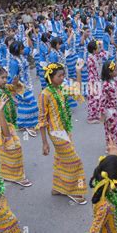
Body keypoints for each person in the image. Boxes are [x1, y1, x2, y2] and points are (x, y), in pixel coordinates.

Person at [38, 62, 87, 205]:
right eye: (59, 76)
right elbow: (41, 120)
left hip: (65, 130)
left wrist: (78, 71)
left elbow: (76, 90)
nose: (62, 78)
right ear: (50, 77)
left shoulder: (62, 89)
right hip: (56, 133)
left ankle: (58, 188)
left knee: (61, 159)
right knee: (74, 160)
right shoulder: (44, 94)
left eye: (63, 75)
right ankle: (74, 191)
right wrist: (44, 143)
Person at [0, 67, 32, 187]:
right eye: (2, 78)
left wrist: (16, 83)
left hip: (10, 124)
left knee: (8, 149)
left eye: (6, 78)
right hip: (2, 125)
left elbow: (18, 89)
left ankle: (7, 174)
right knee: (14, 147)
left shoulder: (6, 88)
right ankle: (17, 176)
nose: (5, 80)